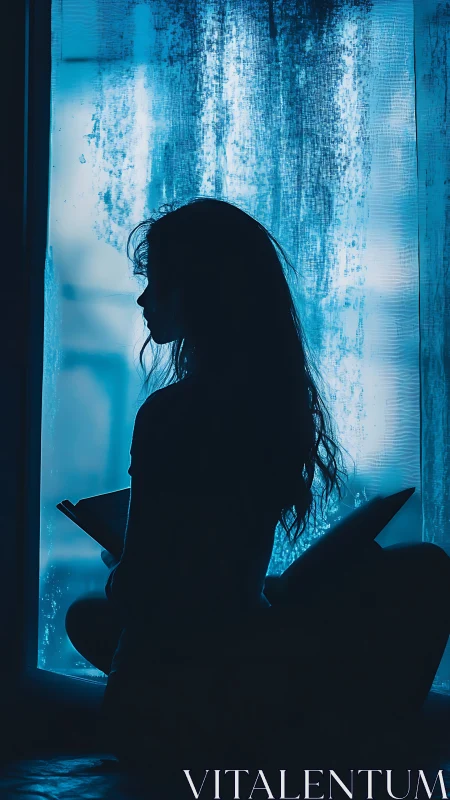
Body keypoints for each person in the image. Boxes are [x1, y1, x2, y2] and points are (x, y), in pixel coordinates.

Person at [65, 198, 450, 767]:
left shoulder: (170, 415)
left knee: (89, 613)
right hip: (241, 670)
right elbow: (223, 566)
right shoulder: (278, 405)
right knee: (421, 566)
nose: (145, 299)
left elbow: (149, 592)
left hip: (156, 706)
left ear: (203, 291)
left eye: (161, 282)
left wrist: (119, 564)